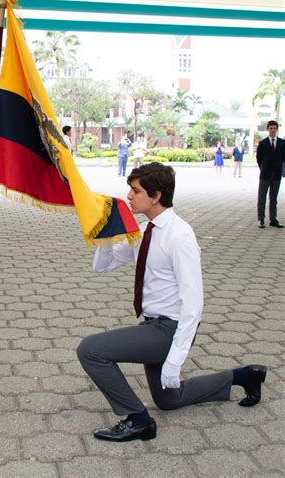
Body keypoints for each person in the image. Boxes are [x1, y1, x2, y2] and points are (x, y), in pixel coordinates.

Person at [77, 163, 267, 443]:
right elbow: (103, 267)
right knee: (169, 399)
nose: (129, 196)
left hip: (171, 329)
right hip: (154, 325)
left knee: (90, 350)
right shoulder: (144, 231)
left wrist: (175, 360)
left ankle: (138, 420)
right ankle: (244, 376)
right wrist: (106, 232)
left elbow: (193, 304)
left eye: (136, 190)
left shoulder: (180, 236)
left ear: (156, 196)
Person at [256, 120, 284, 229]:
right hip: (265, 175)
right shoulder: (262, 143)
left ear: (277, 129)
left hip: (277, 175)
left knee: (274, 198)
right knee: (262, 197)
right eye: (271, 128)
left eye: (274, 128)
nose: (272, 130)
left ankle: (273, 219)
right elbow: (259, 159)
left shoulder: (282, 143)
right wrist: (263, 168)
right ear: (268, 129)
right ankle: (261, 219)